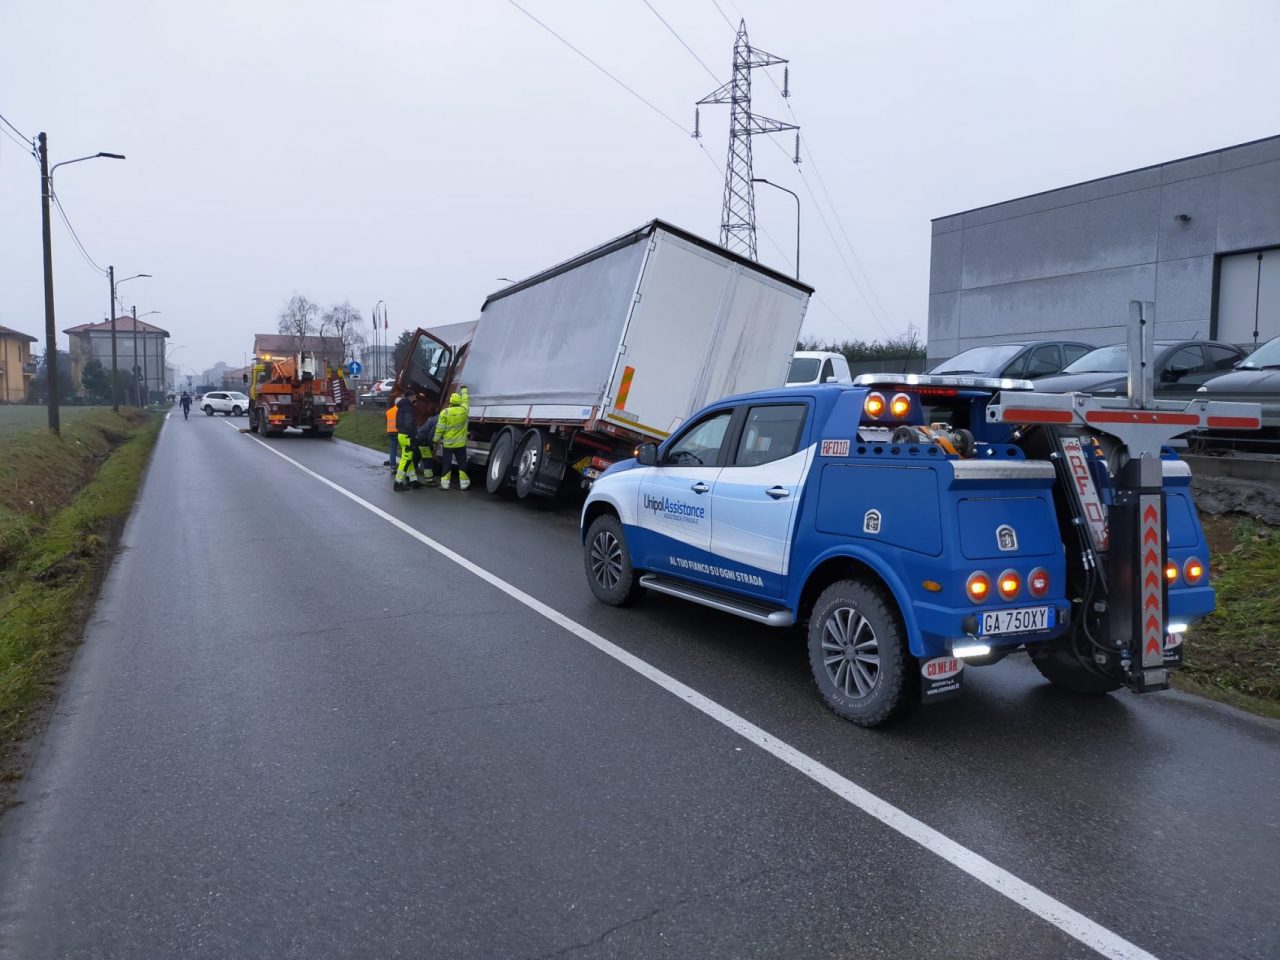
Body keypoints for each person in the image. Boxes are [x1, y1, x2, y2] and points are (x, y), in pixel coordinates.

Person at [434, 386, 470, 490]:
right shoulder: (464, 411)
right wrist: (464, 390)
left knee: (446, 464)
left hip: (448, 445)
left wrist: (435, 440)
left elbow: (439, 429)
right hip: (460, 445)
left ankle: (445, 484)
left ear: (451, 401)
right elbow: (466, 400)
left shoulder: (445, 412)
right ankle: (464, 484)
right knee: (462, 464)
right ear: (459, 401)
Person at [393, 395, 421, 491]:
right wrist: (413, 435)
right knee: (406, 459)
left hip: (401, 434)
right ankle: (398, 482)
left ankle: (413, 481)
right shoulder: (408, 408)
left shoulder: (400, 408)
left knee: (409, 459)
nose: (415, 399)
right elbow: (409, 423)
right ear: (411, 397)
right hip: (408, 436)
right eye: (414, 397)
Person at [415, 412, 439, 487]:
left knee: (415, 459)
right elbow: (430, 436)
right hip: (423, 441)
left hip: (419, 438)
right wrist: (432, 450)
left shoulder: (436, 418)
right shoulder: (440, 420)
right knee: (427, 459)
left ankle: (409, 478)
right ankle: (429, 480)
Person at [384, 401, 399, 468]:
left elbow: (386, 422)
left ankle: (393, 466)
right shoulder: (400, 411)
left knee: (393, 450)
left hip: (390, 432)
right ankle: (404, 466)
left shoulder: (388, 411)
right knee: (405, 450)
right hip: (399, 432)